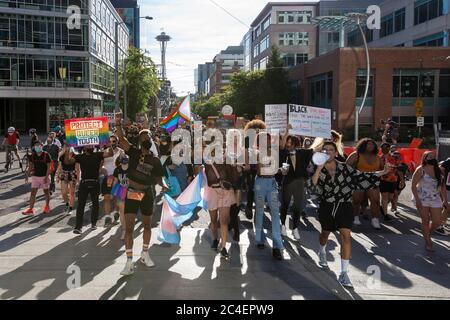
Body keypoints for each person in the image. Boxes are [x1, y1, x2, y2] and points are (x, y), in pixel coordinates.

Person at [310, 141, 388, 288]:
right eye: (325, 150)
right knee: (325, 233)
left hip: (345, 205)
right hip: (327, 205)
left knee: (346, 236)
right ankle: (321, 250)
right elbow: (312, 185)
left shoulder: (345, 168)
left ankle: (344, 273)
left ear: (335, 152)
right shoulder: (317, 168)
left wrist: (381, 173)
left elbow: (362, 176)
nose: (328, 153)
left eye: (331, 150)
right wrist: (319, 170)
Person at [115, 112, 165, 276]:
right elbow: (121, 140)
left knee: (146, 226)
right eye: (143, 136)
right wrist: (117, 123)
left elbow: (159, 178)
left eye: (147, 135)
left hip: (147, 194)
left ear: (151, 140)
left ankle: (144, 254)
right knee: (129, 228)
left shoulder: (155, 160)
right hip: (133, 193)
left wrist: (164, 185)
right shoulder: (134, 153)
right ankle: (129, 261)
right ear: (139, 141)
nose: (145, 138)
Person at [64, 143, 113, 234]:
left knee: (95, 204)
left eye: (92, 145)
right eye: (88, 145)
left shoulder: (98, 154)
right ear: (84, 147)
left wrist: (109, 145)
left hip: (95, 183)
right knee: (80, 206)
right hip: (84, 183)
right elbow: (67, 161)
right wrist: (67, 148)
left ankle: (93, 224)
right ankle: (78, 227)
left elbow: (110, 154)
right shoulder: (80, 156)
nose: (90, 146)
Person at [253, 132, 284, 260]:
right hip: (260, 183)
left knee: (275, 214)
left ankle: (277, 246)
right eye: (263, 140)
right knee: (260, 211)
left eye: (268, 139)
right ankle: (259, 239)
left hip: (271, 183)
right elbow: (260, 170)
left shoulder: (274, 152)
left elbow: (275, 169)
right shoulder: (256, 153)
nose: (266, 142)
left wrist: (281, 170)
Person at [279, 129, 314, 240]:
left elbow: (315, 148)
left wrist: (319, 132)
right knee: (285, 205)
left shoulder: (303, 153)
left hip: (299, 183)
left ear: (295, 144)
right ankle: (283, 225)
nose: (288, 144)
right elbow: (281, 145)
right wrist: (281, 170)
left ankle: (295, 228)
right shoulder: (283, 153)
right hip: (287, 182)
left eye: (290, 142)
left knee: (297, 207)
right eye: (287, 142)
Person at [204, 148, 237, 260]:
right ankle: (214, 239)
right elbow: (206, 181)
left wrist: (233, 167)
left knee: (223, 221)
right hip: (212, 192)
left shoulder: (227, 162)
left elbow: (234, 178)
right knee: (213, 219)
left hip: (225, 193)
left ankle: (223, 247)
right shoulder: (207, 164)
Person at [412, 152, 448, 251]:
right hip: (422, 198)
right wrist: (417, 200)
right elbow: (413, 186)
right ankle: (428, 242)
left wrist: (445, 199)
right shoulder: (420, 169)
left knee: (437, 221)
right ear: (425, 158)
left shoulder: (439, 170)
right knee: (426, 221)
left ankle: (427, 233)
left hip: (435, 198)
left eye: (433, 156)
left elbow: (443, 186)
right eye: (429, 156)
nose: (431, 157)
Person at [347, 138, 384, 229]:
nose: (371, 146)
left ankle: (375, 220)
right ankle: (355, 217)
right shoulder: (356, 155)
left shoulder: (378, 157)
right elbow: (346, 167)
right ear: (363, 145)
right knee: (356, 201)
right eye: (369, 144)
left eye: (373, 144)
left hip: (373, 181)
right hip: (358, 180)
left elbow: (382, 169)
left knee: (375, 201)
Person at [243, 119, 267, 220]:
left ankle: (258, 210)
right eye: (255, 129)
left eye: (259, 130)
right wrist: (247, 164)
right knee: (251, 188)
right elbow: (245, 150)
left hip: (261, 167)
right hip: (251, 168)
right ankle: (249, 206)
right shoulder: (248, 138)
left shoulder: (264, 138)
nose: (257, 131)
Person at [22, 141, 51, 215]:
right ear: (34, 147)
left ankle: (47, 206)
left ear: (42, 146)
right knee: (33, 193)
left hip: (44, 177)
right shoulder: (33, 155)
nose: (37, 147)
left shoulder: (46, 155)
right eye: (36, 146)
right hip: (35, 177)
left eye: (39, 145)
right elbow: (30, 166)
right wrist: (27, 175)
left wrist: (46, 177)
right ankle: (31, 209)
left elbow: (49, 168)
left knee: (46, 193)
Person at [101, 135, 125, 226]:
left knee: (117, 197)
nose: (112, 143)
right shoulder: (104, 152)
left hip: (118, 178)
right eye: (110, 141)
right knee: (107, 197)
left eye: (114, 141)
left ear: (117, 142)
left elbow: (124, 164)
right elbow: (101, 164)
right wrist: (103, 169)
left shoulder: (121, 152)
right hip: (108, 177)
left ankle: (116, 212)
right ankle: (107, 217)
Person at [56, 147, 78, 213]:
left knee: (72, 192)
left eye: (70, 152)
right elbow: (59, 167)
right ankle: (67, 203)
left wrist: (78, 178)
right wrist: (57, 176)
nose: (69, 153)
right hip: (64, 174)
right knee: (64, 192)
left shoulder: (76, 157)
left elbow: (77, 168)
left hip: (72, 174)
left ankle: (71, 208)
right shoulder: (62, 156)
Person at [113, 155, 130, 240]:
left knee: (129, 213)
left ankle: (127, 230)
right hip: (121, 191)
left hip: (131, 192)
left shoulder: (132, 169)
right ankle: (124, 231)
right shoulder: (117, 169)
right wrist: (114, 192)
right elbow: (115, 181)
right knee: (122, 213)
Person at [438, 157, 450, 235]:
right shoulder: (449, 160)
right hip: (447, 188)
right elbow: (440, 168)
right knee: (447, 207)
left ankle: (441, 223)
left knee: (447, 208)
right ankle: (438, 226)